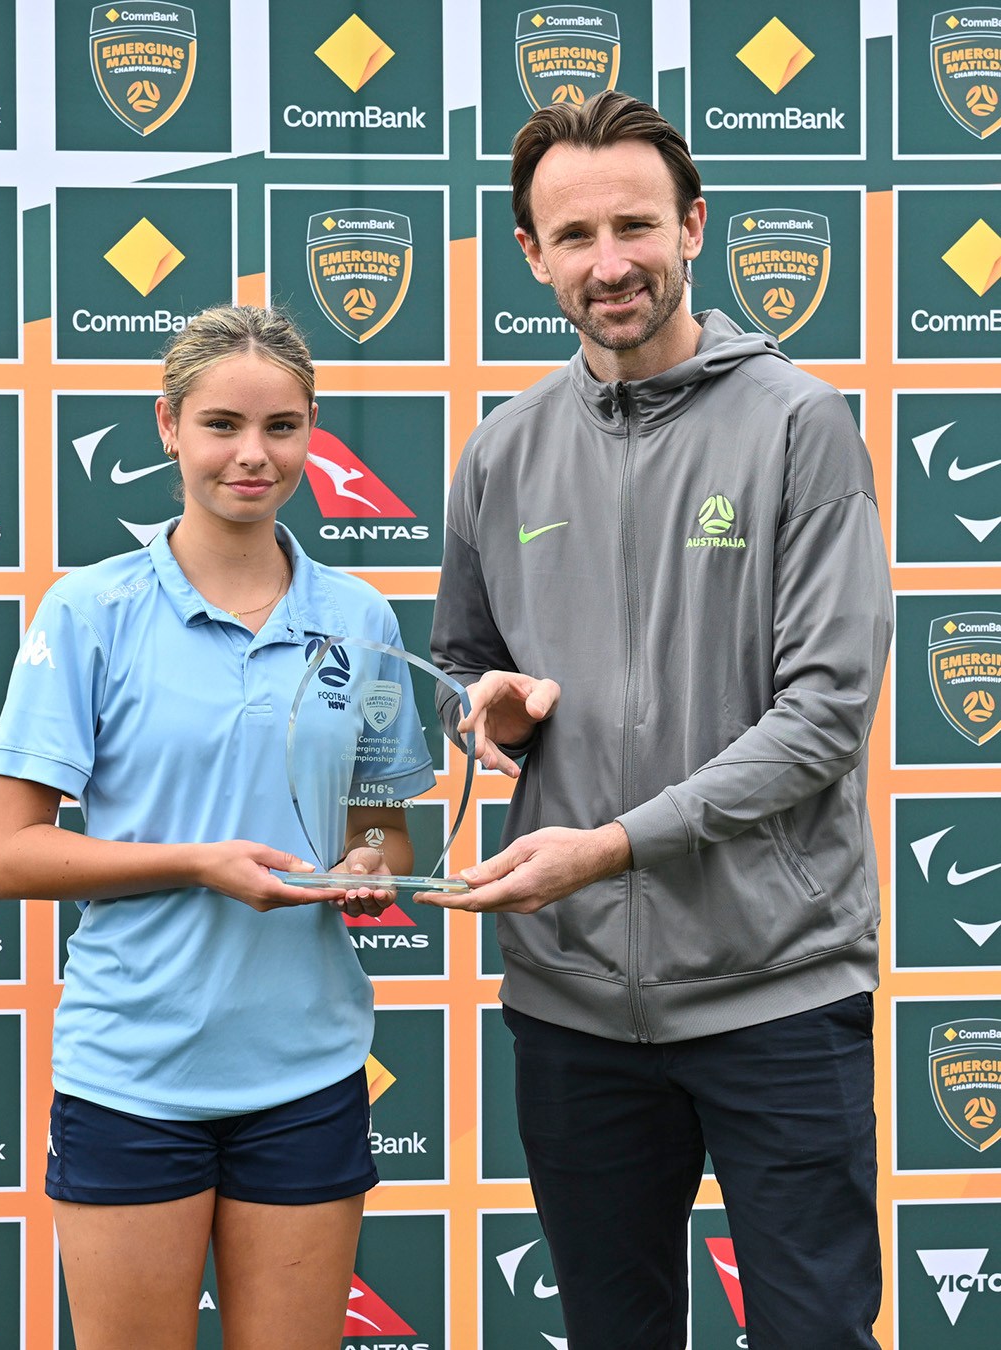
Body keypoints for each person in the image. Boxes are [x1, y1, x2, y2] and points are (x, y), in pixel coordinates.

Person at [422, 91, 892, 1348]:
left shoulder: (801, 424)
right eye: (573, 236)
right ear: (531, 253)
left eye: (636, 224)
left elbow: (825, 715)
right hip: (572, 1005)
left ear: (693, 225)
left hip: (777, 995)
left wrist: (613, 844)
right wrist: (494, 720)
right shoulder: (501, 452)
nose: (609, 262)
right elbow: (464, 673)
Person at [0, 304, 434, 1350]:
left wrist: (367, 864)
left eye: (281, 428)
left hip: (306, 1073)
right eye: (222, 424)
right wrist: (199, 864)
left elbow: (387, 838)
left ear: (313, 432)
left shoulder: (359, 618)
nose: (252, 455)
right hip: (132, 1074)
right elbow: (4, 858)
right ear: (169, 427)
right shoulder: (89, 612)